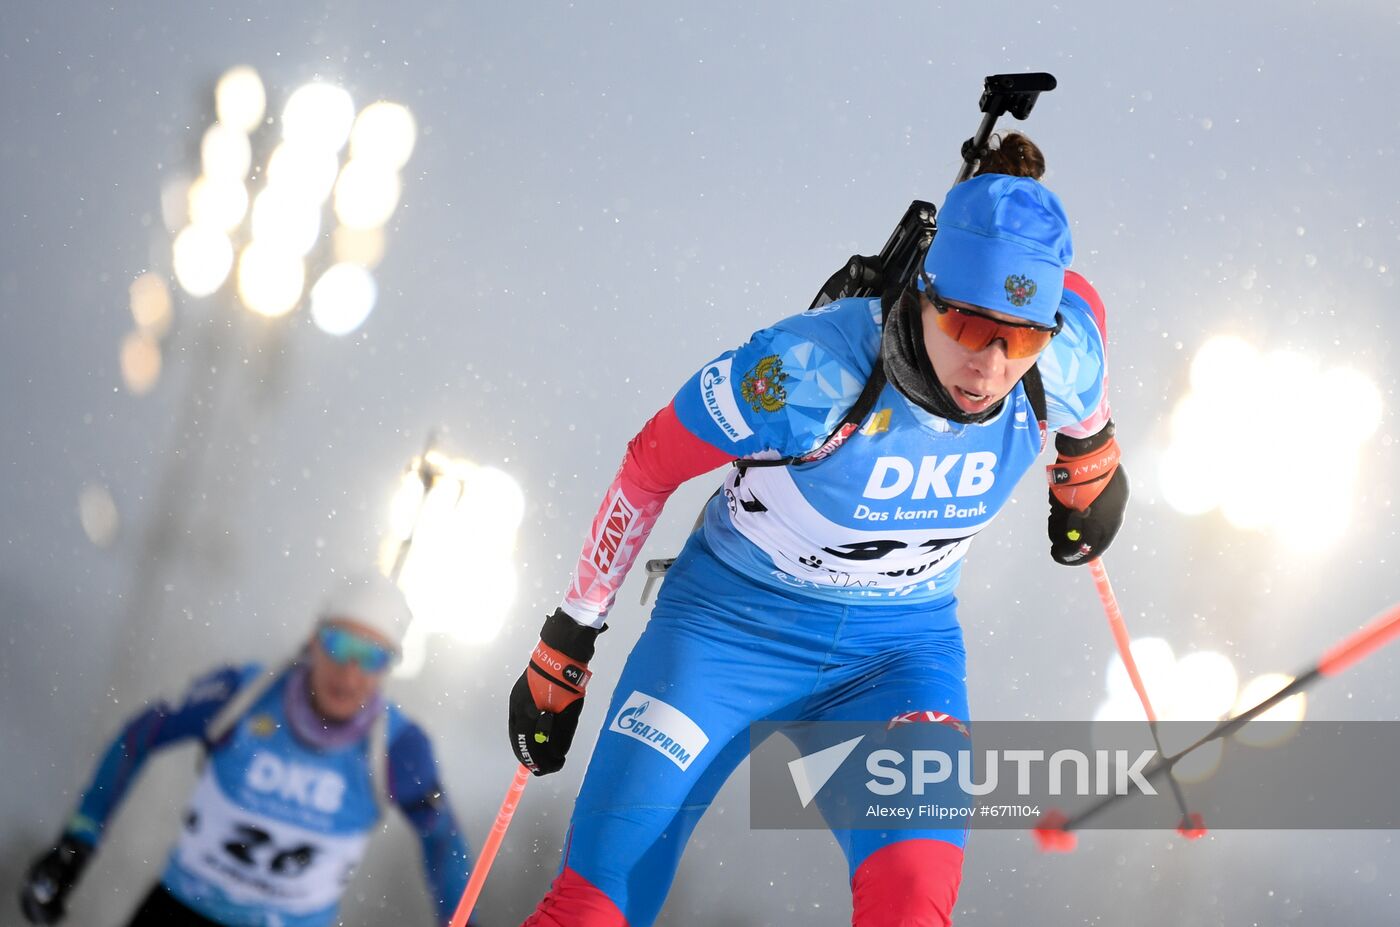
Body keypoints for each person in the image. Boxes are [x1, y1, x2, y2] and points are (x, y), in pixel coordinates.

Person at [508, 134, 1127, 926]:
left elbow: (1085, 323)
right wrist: (568, 635)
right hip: (724, 638)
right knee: (594, 907)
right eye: (971, 328)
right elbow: (649, 465)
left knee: (911, 903)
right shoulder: (804, 373)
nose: (994, 365)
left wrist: (1092, 458)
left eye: (1023, 335)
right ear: (927, 295)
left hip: (896, 658)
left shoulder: (1062, 359)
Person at [19, 571, 475, 927]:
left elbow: (444, 840)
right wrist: (77, 842)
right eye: (339, 645)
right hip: (182, 911)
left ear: (390, 667)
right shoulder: (242, 693)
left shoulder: (399, 747)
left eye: (374, 656)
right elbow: (138, 737)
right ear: (314, 639)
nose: (350, 672)